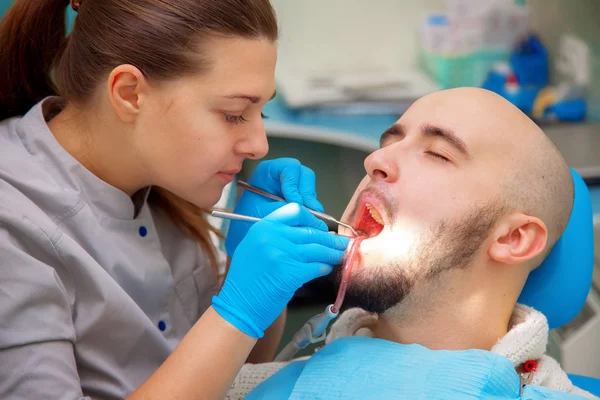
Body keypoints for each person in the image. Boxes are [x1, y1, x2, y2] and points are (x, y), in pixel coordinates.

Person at [0, 1, 351, 399]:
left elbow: (231, 376)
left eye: (262, 114)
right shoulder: (11, 229)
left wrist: (247, 278)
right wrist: (236, 311)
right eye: (235, 113)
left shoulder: (161, 185)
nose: (259, 145)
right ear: (130, 93)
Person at [228, 88, 598, 399]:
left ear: (513, 238)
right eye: (388, 143)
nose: (375, 159)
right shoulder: (255, 386)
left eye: (438, 154)